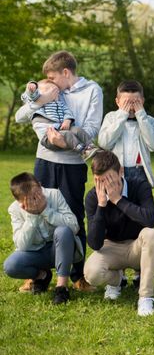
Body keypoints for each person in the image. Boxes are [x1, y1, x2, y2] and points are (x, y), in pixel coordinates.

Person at [15, 50, 103, 293]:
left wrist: (66, 142)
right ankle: (39, 277)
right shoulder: (50, 90)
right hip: (44, 160)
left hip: (73, 163)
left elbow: (92, 128)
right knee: (37, 209)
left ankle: (78, 275)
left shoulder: (92, 91)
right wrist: (41, 101)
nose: (50, 82)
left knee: (73, 215)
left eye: (53, 77)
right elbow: (21, 116)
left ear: (66, 73)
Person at [83, 151, 154, 316]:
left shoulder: (139, 185)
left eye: (110, 179)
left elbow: (150, 220)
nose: (105, 185)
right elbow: (95, 243)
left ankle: (145, 297)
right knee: (92, 274)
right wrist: (102, 205)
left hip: (137, 247)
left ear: (121, 172)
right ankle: (117, 281)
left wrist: (118, 200)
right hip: (110, 247)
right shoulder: (92, 196)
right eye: (100, 180)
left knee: (151, 234)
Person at [3, 173, 82, 304]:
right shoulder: (14, 209)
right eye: (29, 200)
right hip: (36, 253)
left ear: (40, 185)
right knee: (11, 265)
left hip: (61, 249)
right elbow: (22, 246)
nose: (35, 201)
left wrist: (46, 211)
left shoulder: (54, 195)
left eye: (37, 194)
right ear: (19, 201)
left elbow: (74, 226)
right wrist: (32, 217)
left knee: (63, 231)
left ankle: (62, 287)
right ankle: (42, 276)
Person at [98, 80, 154, 187]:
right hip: (117, 171)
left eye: (135, 102)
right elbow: (104, 144)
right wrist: (122, 116)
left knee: (144, 203)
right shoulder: (111, 117)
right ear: (117, 102)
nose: (131, 107)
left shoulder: (149, 120)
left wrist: (141, 115)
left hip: (141, 172)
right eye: (126, 102)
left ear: (142, 101)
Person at [20, 79, 96, 159]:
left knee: (77, 130)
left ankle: (91, 147)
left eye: (56, 91)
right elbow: (31, 96)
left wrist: (67, 120)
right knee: (68, 134)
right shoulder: (39, 104)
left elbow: (68, 112)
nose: (53, 94)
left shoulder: (60, 104)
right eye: (48, 91)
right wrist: (32, 87)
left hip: (60, 129)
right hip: (48, 137)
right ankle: (83, 151)